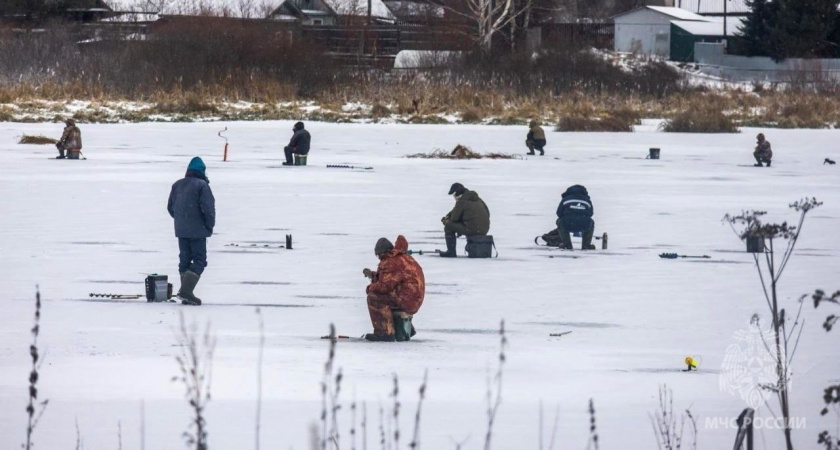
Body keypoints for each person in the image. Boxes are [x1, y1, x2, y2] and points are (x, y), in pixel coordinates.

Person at [167, 157, 216, 305]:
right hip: (198, 230)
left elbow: (170, 208)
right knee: (200, 260)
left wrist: (181, 221)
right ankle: (186, 291)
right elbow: (208, 209)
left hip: (181, 230)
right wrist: (209, 226)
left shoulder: (177, 185)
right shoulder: (202, 186)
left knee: (185, 260)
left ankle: (185, 293)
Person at [363, 235, 425, 342]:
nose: (379, 258)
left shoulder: (392, 262)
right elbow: (391, 279)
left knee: (374, 297)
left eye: (379, 255)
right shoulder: (402, 257)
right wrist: (374, 276)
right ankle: (406, 329)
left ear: (384, 252)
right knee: (388, 295)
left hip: (409, 300)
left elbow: (384, 286)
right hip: (414, 297)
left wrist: (370, 288)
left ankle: (384, 333)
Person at [439, 182, 490, 258]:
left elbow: (454, 219)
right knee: (455, 225)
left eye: (453, 195)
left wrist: (446, 220)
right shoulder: (478, 199)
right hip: (484, 229)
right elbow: (488, 213)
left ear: (457, 193)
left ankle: (451, 252)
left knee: (448, 226)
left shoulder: (461, 201)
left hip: (472, 229)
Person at [556, 184, 595, 250]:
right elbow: (591, 213)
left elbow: (559, 213)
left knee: (560, 222)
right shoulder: (587, 200)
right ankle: (586, 245)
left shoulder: (566, 199)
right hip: (584, 223)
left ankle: (567, 245)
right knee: (591, 222)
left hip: (568, 223)